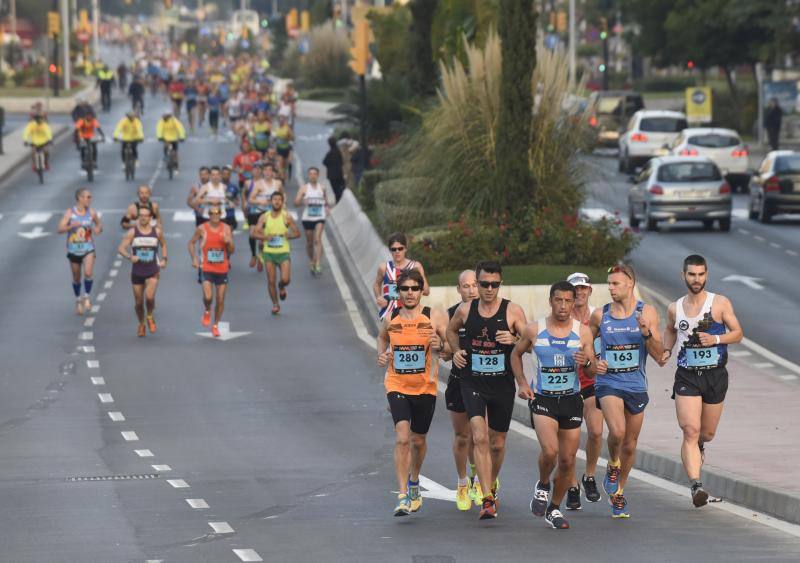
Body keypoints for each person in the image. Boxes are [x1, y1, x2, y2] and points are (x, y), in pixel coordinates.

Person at [513, 281, 598, 530]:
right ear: (550, 301)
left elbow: (592, 371)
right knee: (550, 452)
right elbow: (515, 354)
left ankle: (554, 508)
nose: (563, 306)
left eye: (568, 301)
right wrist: (522, 383)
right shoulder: (534, 330)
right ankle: (542, 484)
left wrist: (586, 363)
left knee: (567, 461)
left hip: (571, 400)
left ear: (573, 303)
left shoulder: (583, 332)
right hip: (544, 399)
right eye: (558, 300)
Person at [447, 261, 528, 519]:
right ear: (478, 283)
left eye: (494, 284)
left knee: (497, 443)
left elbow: (531, 342)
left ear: (500, 284)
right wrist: (456, 351)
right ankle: (487, 498)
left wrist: (514, 340)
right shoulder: (465, 310)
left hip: (502, 384)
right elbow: (450, 330)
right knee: (479, 437)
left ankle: (490, 483)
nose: (489, 289)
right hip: (472, 382)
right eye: (484, 284)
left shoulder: (512, 310)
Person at [662, 255, 743, 508]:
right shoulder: (675, 308)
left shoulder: (719, 303)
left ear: (706, 275)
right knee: (690, 429)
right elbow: (670, 330)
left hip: (715, 375)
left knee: (706, 433)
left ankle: (699, 445)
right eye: (691, 274)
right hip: (687, 376)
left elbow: (738, 333)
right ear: (683, 276)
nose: (696, 279)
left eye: (700, 274)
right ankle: (696, 485)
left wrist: (716, 340)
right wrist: (666, 349)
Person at [588, 264, 664, 518]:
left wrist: (647, 334)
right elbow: (585, 344)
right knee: (618, 432)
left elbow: (659, 356)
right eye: (609, 283)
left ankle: (618, 492)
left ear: (630, 284)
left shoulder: (646, 312)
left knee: (630, 445)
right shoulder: (600, 315)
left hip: (636, 384)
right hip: (608, 383)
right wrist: (594, 362)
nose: (610, 288)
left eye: (615, 283)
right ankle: (612, 464)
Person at [377, 269, 451, 517]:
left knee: (418, 441)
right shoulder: (391, 318)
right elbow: (382, 338)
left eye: (414, 288)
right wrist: (382, 355)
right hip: (397, 384)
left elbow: (450, 349)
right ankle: (402, 496)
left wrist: (441, 345)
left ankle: (414, 480)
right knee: (402, 437)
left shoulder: (433, 316)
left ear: (421, 291)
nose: (410, 293)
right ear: (398, 292)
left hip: (425, 387)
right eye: (405, 289)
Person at [565, 272, 603, 508]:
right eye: (575, 289)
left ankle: (589, 476)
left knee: (596, 432)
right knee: (569, 443)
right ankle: (571, 486)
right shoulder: (561, 318)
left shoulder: (598, 317)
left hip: (591, 383)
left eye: (583, 288)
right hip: (566, 385)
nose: (579, 293)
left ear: (590, 290)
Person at [446, 270, 481, 510]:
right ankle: (462, 483)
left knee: (481, 436)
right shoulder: (451, 315)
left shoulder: (491, 312)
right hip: (459, 381)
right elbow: (443, 349)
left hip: (484, 382)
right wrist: (448, 350)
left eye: (474, 285)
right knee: (463, 436)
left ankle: (480, 479)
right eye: (465, 286)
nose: (471, 290)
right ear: (458, 289)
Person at [118, 204, 167, 337]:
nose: (143, 218)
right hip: (137, 271)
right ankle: (141, 323)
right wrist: (130, 257)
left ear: (151, 217)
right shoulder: (132, 232)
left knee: (149, 297)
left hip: (153, 269)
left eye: (146, 216)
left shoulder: (157, 232)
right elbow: (121, 248)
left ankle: (149, 316)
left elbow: (163, 244)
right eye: (141, 216)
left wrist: (164, 259)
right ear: (138, 217)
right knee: (139, 303)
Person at [188, 205, 234, 337]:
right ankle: (207, 310)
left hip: (222, 268)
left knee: (220, 299)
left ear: (221, 214)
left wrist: (228, 242)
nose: (215, 215)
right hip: (206, 267)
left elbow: (232, 250)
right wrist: (194, 258)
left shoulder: (226, 228)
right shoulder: (202, 228)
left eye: (217, 213)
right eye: (212, 213)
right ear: (209, 215)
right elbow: (191, 243)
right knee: (208, 297)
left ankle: (215, 325)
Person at [252, 192, 301, 315]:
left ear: (282, 202)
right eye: (275, 199)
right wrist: (265, 237)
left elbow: (297, 233)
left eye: (279, 199)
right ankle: (275, 304)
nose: (277, 202)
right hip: (269, 253)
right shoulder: (264, 217)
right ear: (271, 202)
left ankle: (282, 286)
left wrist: (289, 235)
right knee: (271, 281)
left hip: (283, 252)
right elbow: (254, 234)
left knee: (286, 279)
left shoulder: (287, 217)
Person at [57, 188, 103, 315]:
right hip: (73, 250)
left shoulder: (91, 212)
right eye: (87, 197)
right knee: (76, 278)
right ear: (79, 198)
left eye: (90, 197)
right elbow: (59, 229)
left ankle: (86, 297)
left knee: (88, 273)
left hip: (88, 248)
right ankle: (78, 299)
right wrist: (71, 226)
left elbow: (99, 224)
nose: (89, 199)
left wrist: (98, 229)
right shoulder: (70, 213)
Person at [373, 233, 429, 320]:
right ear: (390, 250)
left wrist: (408, 290)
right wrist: (378, 297)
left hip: (411, 316)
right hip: (389, 315)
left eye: (400, 248)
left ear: (405, 248)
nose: (397, 252)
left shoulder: (415, 267)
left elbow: (426, 291)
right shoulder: (384, 268)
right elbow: (376, 284)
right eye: (394, 249)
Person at [247, 163, 284, 270]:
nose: (268, 172)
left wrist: (282, 204)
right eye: (266, 170)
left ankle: (261, 254)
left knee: (263, 238)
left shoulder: (278, 183)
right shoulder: (258, 184)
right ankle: (253, 254)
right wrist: (260, 202)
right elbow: (250, 199)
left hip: (269, 214)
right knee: (252, 234)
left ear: (273, 172)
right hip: (256, 212)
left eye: (270, 170)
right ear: (263, 172)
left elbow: (283, 195)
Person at [294, 167, 330, 276]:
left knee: (317, 239)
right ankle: (312, 261)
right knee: (310, 243)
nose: (313, 176)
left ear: (318, 175)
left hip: (320, 217)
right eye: (311, 174)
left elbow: (325, 200)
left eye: (315, 174)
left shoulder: (322, 188)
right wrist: (302, 200)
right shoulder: (304, 188)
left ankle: (318, 263)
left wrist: (327, 207)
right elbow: (296, 203)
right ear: (308, 175)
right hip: (307, 218)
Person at [323, 136, 346, 203]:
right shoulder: (338, 152)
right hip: (339, 173)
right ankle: (341, 199)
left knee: (335, 189)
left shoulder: (329, 153)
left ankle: (338, 200)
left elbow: (324, 162)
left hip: (332, 175)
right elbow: (342, 162)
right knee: (341, 187)